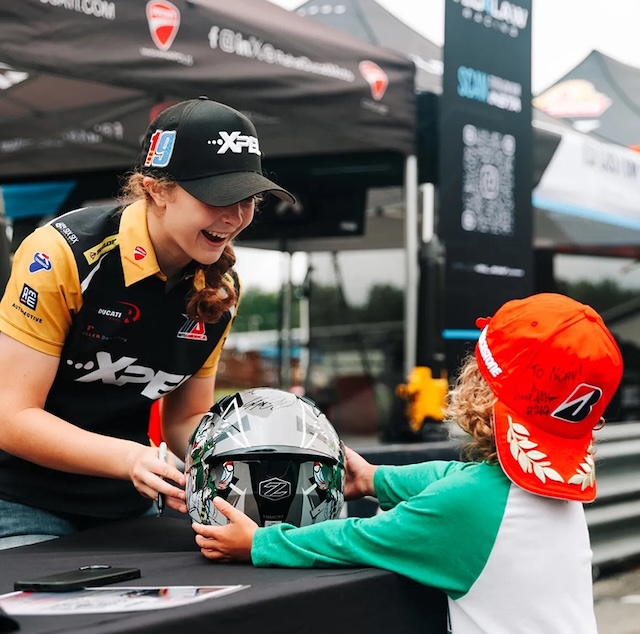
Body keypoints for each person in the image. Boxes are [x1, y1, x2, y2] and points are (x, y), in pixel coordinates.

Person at [192, 292, 623, 633]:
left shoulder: (465, 506)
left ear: (481, 388)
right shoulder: (546, 493)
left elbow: (355, 537)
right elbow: (454, 476)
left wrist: (260, 544)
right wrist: (374, 479)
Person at [0, 96, 294, 550]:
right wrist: (130, 458)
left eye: (249, 198)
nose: (235, 217)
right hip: (20, 500)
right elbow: (11, 417)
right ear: (155, 188)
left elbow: (188, 419)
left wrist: (264, 452)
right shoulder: (62, 254)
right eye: (217, 196)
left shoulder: (219, 288)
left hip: (130, 503)